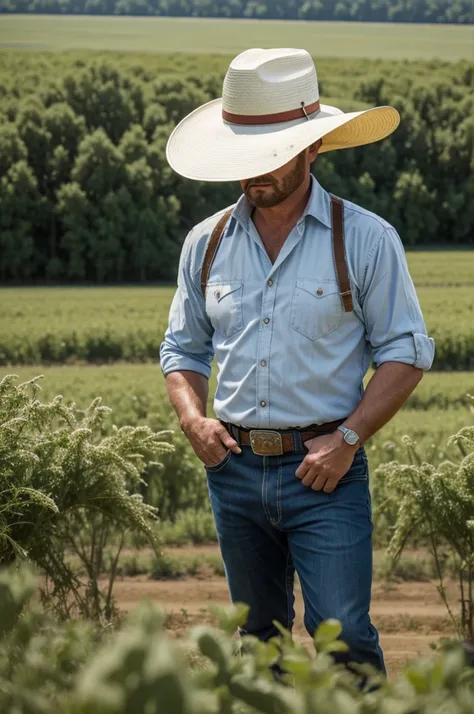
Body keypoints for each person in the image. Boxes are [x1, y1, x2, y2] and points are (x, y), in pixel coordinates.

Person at [160, 48, 435, 674]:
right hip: (231, 471)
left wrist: (347, 439)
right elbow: (182, 347)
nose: (253, 171)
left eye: (271, 154)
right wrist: (193, 421)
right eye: (243, 156)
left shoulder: (366, 238)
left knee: (345, 639)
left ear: (315, 149)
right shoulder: (204, 244)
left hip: (326, 472)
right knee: (258, 644)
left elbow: (407, 351)